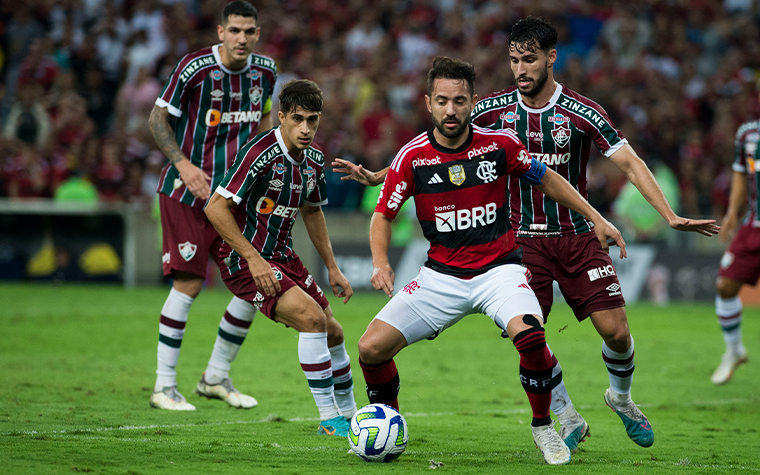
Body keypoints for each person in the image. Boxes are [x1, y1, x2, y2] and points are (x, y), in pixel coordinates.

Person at [334, 17, 719, 453]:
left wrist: (666, 214)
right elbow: (436, 142)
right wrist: (380, 178)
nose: (520, 69)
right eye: (514, 60)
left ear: (551, 58)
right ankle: (563, 414)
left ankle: (621, 399)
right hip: (521, 240)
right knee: (530, 335)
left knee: (615, 331)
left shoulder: (581, 112)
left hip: (575, 233)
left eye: (529, 60)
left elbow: (628, 162)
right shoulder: (489, 109)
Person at [357, 56, 627, 466]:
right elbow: (383, 216)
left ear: (473, 102)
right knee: (370, 349)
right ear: (428, 102)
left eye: (460, 101)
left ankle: (543, 426)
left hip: (499, 271)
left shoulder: (498, 145)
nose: (451, 110)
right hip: (440, 278)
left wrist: (596, 218)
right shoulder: (412, 158)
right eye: (443, 101)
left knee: (531, 336)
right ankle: (389, 421)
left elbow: (550, 179)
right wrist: (380, 261)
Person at [205, 79, 357, 437]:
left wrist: (333, 268)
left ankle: (352, 416)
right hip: (244, 259)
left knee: (334, 331)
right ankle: (329, 420)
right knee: (311, 319)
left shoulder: (314, 160)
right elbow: (215, 208)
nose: (306, 128)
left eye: (313, 120)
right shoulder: (260, 152)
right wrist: (254, 259)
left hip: (284, 257)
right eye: (298, 119)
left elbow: (313, 212)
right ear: (282, 116)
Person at [147, 0, 277, 411]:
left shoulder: (266, 73)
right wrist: (183, 164)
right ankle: (163, 386)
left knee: (254, 283)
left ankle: (215, 377)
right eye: (234, 30)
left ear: (257, 34)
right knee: (188, 283)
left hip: (234, 196)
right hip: (187, 193)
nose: (242, 38)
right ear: (221, 32)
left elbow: (266, 125)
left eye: (249, 31)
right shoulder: (195, 69)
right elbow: (156, 119)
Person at [711, 119, 757, 384]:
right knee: (725, 286)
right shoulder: (748, 133)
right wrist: (731, 212)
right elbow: (741, 172)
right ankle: (734, 349)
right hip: (753, 226)